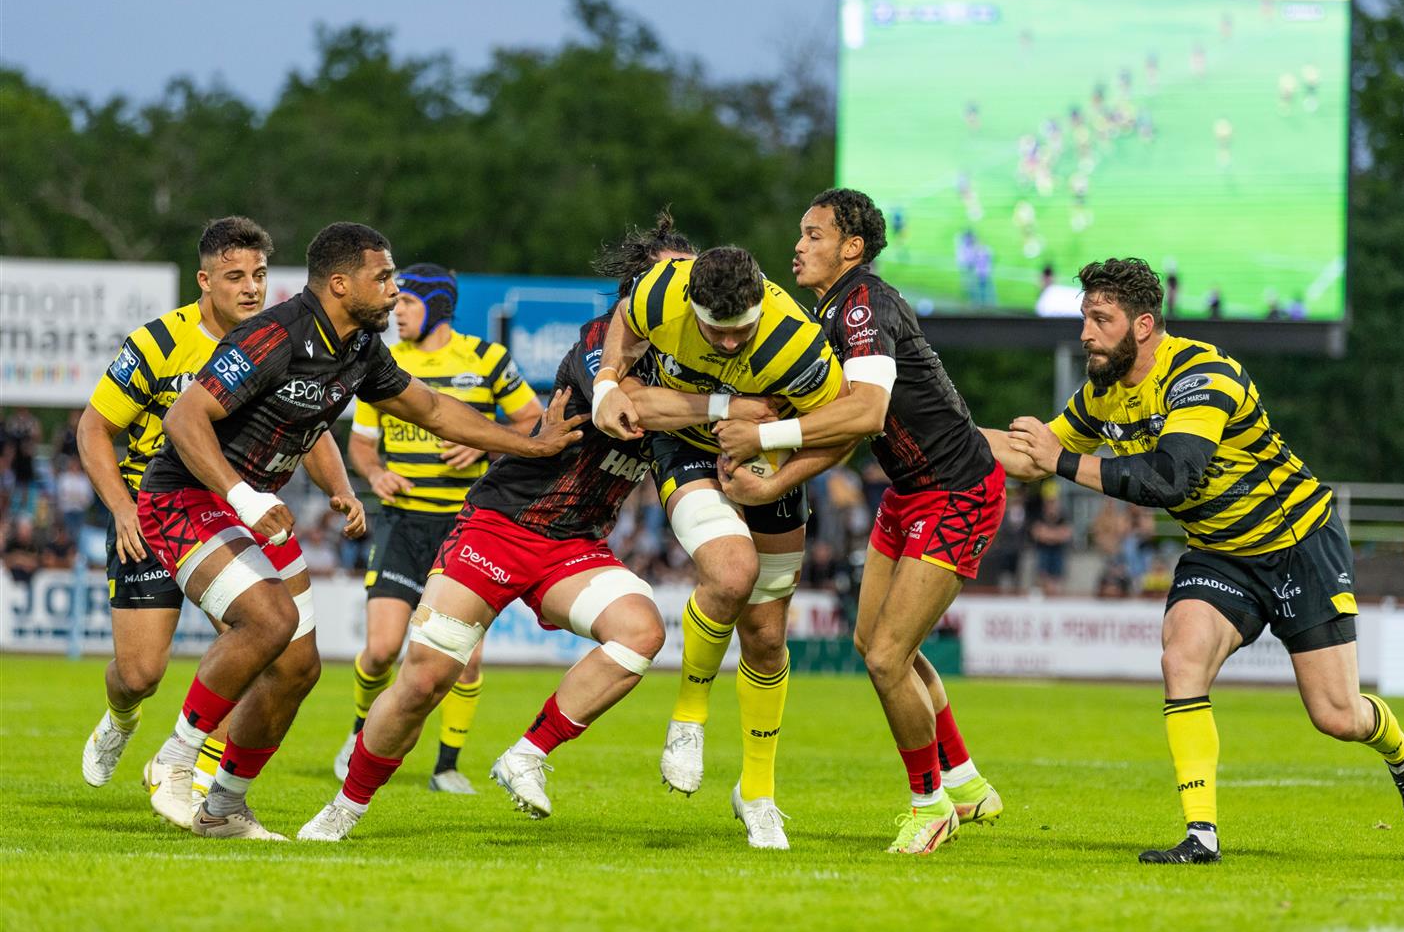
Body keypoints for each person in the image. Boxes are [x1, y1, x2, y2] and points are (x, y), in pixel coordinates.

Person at [298, 222, 775, 841]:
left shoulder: (699, 362)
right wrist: (734, 410)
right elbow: (630, 407)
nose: (682, 287)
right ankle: (346, 807)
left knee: (641, 631)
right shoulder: (604, 339)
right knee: (422, 679)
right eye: (669, 273)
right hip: (502, 526)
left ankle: (525, 755)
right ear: (638, 284)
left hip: (575, 547)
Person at [135, 221, 577, 841]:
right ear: (341, 284)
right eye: (385, 277)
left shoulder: (360, 348)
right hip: (186, 497)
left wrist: (528, 445)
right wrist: (242, 493)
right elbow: (184, 418)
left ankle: (223, 808)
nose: (395, 291)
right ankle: (177, 761)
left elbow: (430, 409)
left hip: (252, 510)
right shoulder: (275, 334)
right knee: (268, 621)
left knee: (298, 671)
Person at [1003, 257, 1404, 864]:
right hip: (1220, 554)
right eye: (1085, 317)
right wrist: (931, 431)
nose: (1085, 332)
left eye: (1101, 319)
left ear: (1143, 326)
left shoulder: (1202, 374)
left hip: (1297, 545)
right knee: (1180, 655)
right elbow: (1034, 453)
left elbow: (1171, 479)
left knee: (1337, 715)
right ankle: (1201, 837)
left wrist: (1061, 461)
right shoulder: (1102, 393)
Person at [715, 188, 1007, 855]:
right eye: (801, 232)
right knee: (874, 645)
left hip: (958, 491)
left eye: (814, 234)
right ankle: (963, 781)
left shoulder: (864, 304)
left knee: (885, 657)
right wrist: (778, 483)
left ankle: (929, 805)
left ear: (851, 247)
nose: (798, 245)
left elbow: (866, 414)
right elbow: (845, 433)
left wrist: (764, 443)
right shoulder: (830, 312)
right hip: (909, 495)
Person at [593, 238, 845, 850]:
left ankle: (757, 792)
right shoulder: (661, 293)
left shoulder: (800, 343)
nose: (730, 343)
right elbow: (626, 318)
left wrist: (774, 481)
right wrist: (607, 380)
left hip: (772, 463)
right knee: (731, 573)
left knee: (765, 636)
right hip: (687, 451)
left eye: (741, 331)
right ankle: (688, 716)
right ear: (691, 304)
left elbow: (842, 430)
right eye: (715, 332)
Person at [77, 217, 274, 803]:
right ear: (204, 280)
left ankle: (189, 763)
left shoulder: (274, 345)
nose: (250, 289)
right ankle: (120, 716)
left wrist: (340, 489)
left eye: (259, 276)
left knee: (260, 642)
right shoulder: (158, 343)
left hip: (223, 518)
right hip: (151, 516)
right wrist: (121, 508)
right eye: (235, 276)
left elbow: (308, 432)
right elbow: (93, 430)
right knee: (140, 675)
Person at [333, 263, 542, 795]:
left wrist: (483, 438)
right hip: (402, 525)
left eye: (406, 303)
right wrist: (376, 472)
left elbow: (531, 422)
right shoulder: (384, 361)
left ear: (437, 308)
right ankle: (361, 738)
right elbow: (360, 442)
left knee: (464, 658)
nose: (395, 311)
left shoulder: (487, 360)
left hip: (467, 528)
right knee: (381, 650)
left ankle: (446, 765)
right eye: (394, 302)